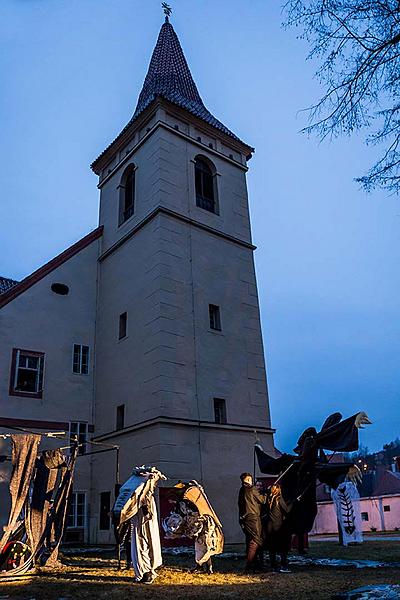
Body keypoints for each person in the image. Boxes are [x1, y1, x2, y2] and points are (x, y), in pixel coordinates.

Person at [238, 472, 266, 572]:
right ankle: (249, 567)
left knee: (251, 541)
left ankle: (256, 566)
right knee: (256, 542)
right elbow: (262, 500)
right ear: (248, 479)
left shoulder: (242, 490)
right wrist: (267, 493)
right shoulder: (252, 489)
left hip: (245, 519)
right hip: (253, 518)